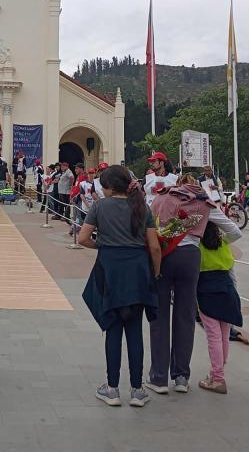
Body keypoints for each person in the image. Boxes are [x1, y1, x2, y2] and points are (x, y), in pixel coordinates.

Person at [147, 174, 241, 395]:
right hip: (190, 258)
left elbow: (150, 230)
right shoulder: (204, 202)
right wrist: (214, 243)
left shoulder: (161, 199)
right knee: (185, 315)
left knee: (159, 316)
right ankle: (181, 377)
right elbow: (235, 232)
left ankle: (159, 378)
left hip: (164, 257)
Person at [78, 165, 160, 407]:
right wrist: (156, 273)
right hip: (137, 271)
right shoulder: (142, 207)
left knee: (112, 328)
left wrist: (103, 246)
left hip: (110, 270)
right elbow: (154, 247)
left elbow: (82, 238)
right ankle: (137, 390)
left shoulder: (100, 207)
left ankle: (112, 388)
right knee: (134, 330)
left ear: (110, 187)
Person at [196, 221, 243, 394]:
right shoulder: (223, 245)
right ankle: (217, 372)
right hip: (227, 290)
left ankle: (217, 377)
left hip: (206, 291)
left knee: (213, 336)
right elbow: (232, 273)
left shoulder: (198, 247)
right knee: (224, 334)